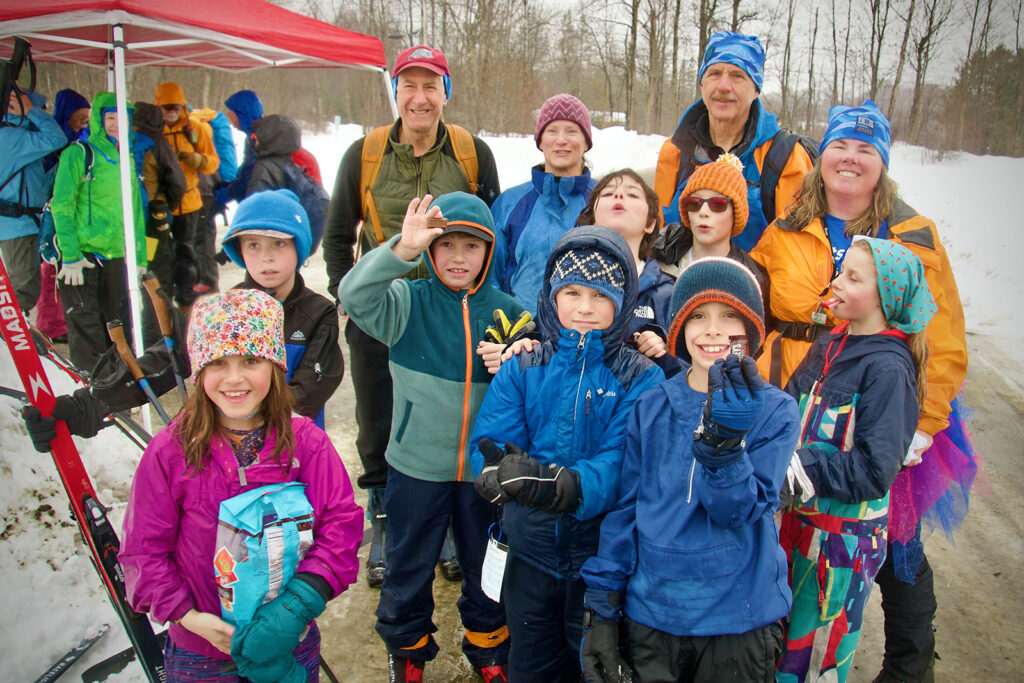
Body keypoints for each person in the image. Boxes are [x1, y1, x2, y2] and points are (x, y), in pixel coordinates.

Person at [751, 100, 974, 683]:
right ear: (821, 156)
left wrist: (922, 426)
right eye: (840, 146)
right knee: (802, 542)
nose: (849, 159)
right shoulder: (786, 224)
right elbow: (754, 294)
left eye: (865, 150)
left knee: (893, 545)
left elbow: (943, 337)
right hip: (808, 393)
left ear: (883, 164)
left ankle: (906, 665)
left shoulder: (912, 235)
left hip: (887, 406)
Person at [322, 44, 500, 586]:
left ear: (444, 93)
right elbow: (337, 234)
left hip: (451, 312)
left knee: (451, 415)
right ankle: (385, 520)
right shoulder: (365, 153)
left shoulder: (472, 153)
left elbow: (491, 234)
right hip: (384, 311)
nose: (419, 98)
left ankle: (446, 524)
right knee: (377, 420)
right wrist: (349, 300)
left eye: (430, 86)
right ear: (395, 92)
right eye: (409, 86)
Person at [119, 288, 363, 682]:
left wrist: (300, 602)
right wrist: (188, 616)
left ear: (274, 365)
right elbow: (143, 550)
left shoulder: (307, 442)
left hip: (289, 635)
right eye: (217, 362)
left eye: (250, 360)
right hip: (203, 648)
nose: (234, 379)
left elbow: (340, 526)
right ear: (198, 371)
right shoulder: (170, 451)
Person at [579, 257, 799, 683]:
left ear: (751, 331)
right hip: (654, 614)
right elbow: (627, 512)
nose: (713, 330)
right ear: (679, 329)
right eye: (697, 316)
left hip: (736, 619)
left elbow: (738, 512)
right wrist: (602, 609)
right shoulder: (653, 405)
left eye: (729, 316)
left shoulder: (776, 411)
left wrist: (725, 447)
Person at [469, 226, 665, 681]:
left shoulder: (641, 378)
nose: (584, 307)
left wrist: (563, 486)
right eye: (571, 292)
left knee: (593, 667)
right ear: (551, 296)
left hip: (600, 562)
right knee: (531, 665)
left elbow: (624, 462)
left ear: (624, 301)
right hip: (528, 555)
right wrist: (496, 474)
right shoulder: (523, 367)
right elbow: (491, 446)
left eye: (600, 296)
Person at [337, 192, 518, 683]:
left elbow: (532, 380)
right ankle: (409, 650)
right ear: (431, 251)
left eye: (472, 246)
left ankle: (489, 648)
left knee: (488, 565)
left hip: (484, 474)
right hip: (416, 465)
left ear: (489, 252)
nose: (458, 257)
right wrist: (402, 250)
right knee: (408, 562)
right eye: (446, 245)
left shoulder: (509, 311)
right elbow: (353, 295)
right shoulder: (406, 302)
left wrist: (521, 357)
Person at [776, 237, 937, 683]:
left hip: (840, 549)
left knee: (813, 659)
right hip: (798, 526)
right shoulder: (830, 343)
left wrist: (801, 467)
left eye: (853, 277)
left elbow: (874, 469)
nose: (836, 282)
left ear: (885, 296)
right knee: (781, 643)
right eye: (840, 272)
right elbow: (789, 407)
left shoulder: (888, 368)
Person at [653, 31, 814, 252]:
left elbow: (792, 253)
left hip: (754, 282)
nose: (724, 86)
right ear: (702, 84)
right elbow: (657, 232)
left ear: (756, 89)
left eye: (737, 76)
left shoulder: (784, 157)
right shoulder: (676, 151)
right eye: (714, 74)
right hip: (679, 280)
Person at [221, 189, 344, 429]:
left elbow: (313, 385)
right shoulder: (227, 309)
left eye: (279, 243)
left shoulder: (318, 312)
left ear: (299, 248)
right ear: (240, 251)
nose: (267, 257)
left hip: (296, 444)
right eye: (253, 245)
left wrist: (257, 418)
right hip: (234, 447)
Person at [51, 92, 146, 371]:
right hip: (81, 256)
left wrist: (139, 256)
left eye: (122, 118)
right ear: (98, 119)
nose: (116, 124)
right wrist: (69, 254)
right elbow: (62, 206)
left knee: (118, 324)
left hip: (115, 255)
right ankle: (92, 393)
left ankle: (118, 387)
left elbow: (135, 212)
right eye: (110, 118)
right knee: (85, 328)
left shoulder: (125, 158)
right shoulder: (78, 154)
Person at [490, 93, 596, 313]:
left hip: (586, 334)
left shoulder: (603, 198)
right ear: (540, 141)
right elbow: (491, 275)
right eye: (552, 130)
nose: (561, 140)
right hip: (522, 334)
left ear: (586, 142)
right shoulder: (510, 203)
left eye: (572, 131)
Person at [575, 168, 675, 340]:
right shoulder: (565, 281)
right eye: (607, 194)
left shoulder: (669, 293)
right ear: (592, 220)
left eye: (633, 195)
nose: (619, 195)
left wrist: (663, 352)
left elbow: (686, 362)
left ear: (650, 224)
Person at [153, 81, 219, 310]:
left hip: (189, 204)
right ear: (158, 106)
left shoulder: (195, 128)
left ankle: (185, 302)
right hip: (160, 204)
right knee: (160, 255)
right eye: (166, 107)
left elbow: (212, 163)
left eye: (176, 107)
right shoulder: (153, 131)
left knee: (187, 252)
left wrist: (198, 160)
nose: (171, 112)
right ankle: (161, 300)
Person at [35, 87, 92, 342]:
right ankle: (50, 324)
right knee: (50, 267)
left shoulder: (82, 140)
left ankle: (61, 321)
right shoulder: (56, 140)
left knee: (62, 270)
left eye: (87, 118)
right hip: (51, 210)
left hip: (75, 211)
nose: (83, 122)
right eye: (79, 117)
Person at [0, 90, 66, 313]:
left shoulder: (12, 135)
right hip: (17, 226)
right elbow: (56, 137)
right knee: (23, 290)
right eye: (41, 109)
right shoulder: (13, 139)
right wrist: (32, 111)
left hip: (16, 224)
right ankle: (10, 338)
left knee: (19, 288)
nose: (44, 114)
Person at [132, 100, 187, 346]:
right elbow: (178, 182)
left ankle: (138, 335)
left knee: (132, 279)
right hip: (153, 224)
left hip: (126, 224)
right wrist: (167, 207)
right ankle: (159, 338)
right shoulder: (157, 142)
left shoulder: (124, 140)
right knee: (158, 279)